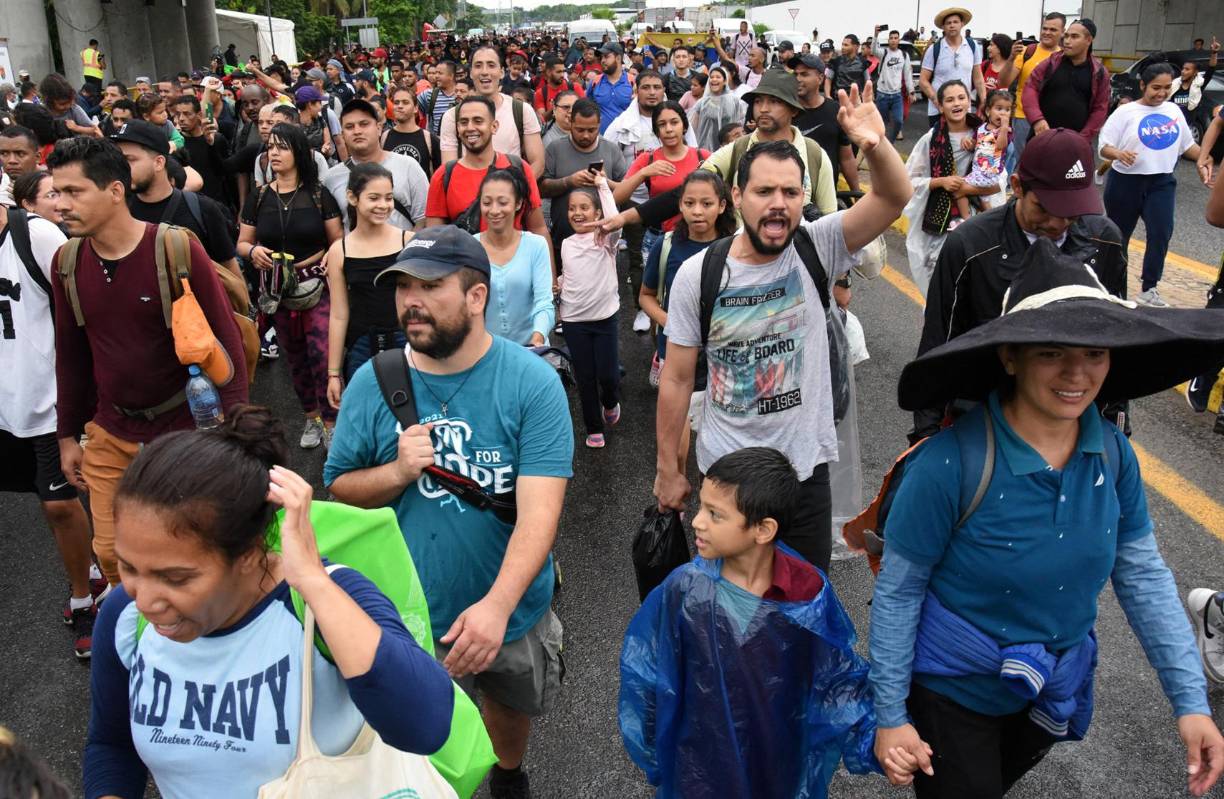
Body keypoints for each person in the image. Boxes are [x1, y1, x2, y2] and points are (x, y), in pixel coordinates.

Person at [872, 240, 1224, 799]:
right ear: (1009, 356)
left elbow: (1143, 577)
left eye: (1095, 352)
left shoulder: (1114, 453)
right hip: (951, 691)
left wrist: (1190, 703)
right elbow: (899, 589)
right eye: (1052, 352)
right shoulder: (949, 463)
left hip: (1045, 691)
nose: (1076, 373)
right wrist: (890, 713)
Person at [84, 407, 462, 798]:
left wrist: (313, 581)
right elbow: (111, 743)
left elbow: (426, 725)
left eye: (175, 578)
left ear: (249, 554)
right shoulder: (124, 616)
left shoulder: (326, 599)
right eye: (128, 567)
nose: (145, 599)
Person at [325, 225, 573, 799]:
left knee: (509, 704)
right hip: (409, 612)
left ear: (476, 296)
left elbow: (541, 514)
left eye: (430, 287)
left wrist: (496, 608)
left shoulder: (532, 382)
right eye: (402, 286)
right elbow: (338, 487)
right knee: (426, 739)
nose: (410, 301)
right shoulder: (375, 380)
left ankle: (509, 776)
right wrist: (395, 473)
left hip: (509, 605)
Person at [653, 93, 912, 573]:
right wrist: (668, 470)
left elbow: (894, 198)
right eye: (764, 191)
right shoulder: (698, 274)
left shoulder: (820, 244)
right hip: (728, 475)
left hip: (802, 471)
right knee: (732, 610)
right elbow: (677, 378)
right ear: (736, 197)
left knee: (802, 607)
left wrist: (875, 146)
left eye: (791, 193)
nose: (778, 205)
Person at [620, 447, 886, 797]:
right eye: (702, 507)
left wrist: (881, 738)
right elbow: (649, 672)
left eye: (715, 514)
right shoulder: (686, 591)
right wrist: (658, 754)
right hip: (699, 764)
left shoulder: (804, 591)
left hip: (776, 764)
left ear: (763, 529)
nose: (697, 521)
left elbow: (835, 679)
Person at [48, 136, 248, 588]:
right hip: (110, 433)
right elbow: (71, 355)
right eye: (57, 192)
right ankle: (140, 647)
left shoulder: (175, 248)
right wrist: (66, 434)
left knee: (190, 550)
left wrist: (233, 433)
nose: (60, 204)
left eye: (73, 191)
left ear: (115, 190)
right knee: (112, 555)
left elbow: (227, 343)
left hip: (184, 432)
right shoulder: (67, 262)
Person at [912, 128, 1127, 441]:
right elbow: (939, 342)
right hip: (983, 422)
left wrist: (1116, 430)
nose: (1056, 223)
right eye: (1044, 207)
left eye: (1071, 211)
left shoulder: (1103, 241)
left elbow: (1116, 337)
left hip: (1073, 425)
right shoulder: (970, 245)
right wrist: (925, 438)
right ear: (1016, 186)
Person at [0, 192, 98, 659]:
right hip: (4, 404)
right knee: (42, 500)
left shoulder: (33, 234)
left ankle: (84, 598)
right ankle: (93, 569)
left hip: (46, 399)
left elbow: (81, 308)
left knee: (60, 504)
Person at [237, 123, 343, 449]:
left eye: (282, 147)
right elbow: (241, 243)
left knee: (322, 356)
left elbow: (337, 239)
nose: (274, 153)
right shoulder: (259, 197)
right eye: (271, 147)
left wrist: (330, 255)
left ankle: (332, 425)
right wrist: (253, 252)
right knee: (294, 358)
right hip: (278, 290)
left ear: (298, 152)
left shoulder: (317, 194)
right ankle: (310, 419)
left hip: (315, 285)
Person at [1099, 62, 1208, 307]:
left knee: (1161, 233)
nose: (1161, 93)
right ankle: (1115, 290)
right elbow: (1104, 147)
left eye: (1167, 88)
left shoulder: (1173, 111)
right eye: (1156, 88)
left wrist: (1206, 158)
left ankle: (1149, 289)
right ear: (1142, 85)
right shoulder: (1125, 112)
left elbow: (1188, 146)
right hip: (1125, 183)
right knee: (1119, 237)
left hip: (1161, 182)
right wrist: (1118, 154)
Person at [639, 169, 736, 394]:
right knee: (678, 415)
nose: (697, 211)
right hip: (674, 348)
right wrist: (669, 322)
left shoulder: (735, 247)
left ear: (721, 206)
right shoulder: (666, 245)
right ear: (680, 205)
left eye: (706, 204)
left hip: (723, 350)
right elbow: (646, 295)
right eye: (690, 203)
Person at [325, 162, 413, 400]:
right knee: (367, 418)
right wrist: (333, 373)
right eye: (374, 198)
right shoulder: (339, 251)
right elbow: (339, 314)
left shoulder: (408, 242)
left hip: (408, 342)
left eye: (388, 198)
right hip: (361, 347)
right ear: (353, 198)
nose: (383, 205)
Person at [902, 80, 999, 296]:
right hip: (939, 226)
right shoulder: (930, 140)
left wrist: (964, 188)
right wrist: (939, 182)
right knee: (939, 287)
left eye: (961, 98)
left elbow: (996, 184)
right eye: (950, 99)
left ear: (969, 102)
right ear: (940, 106)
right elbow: (908, 181)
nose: (956, 103)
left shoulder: (985, 137)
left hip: (977, 221)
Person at [115, 121, 238, 274]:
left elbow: (232, 277)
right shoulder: (117, 211)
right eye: (119, 159)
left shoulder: (202, 210)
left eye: (130, 159)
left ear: (159, 163)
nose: (121, 167)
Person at [424, 96, 548, 243]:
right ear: (458, 129)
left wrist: (548, 266)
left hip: (514, 263)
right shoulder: (444, 176)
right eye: (464, 122)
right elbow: (434, 238)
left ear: (494, 126)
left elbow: (538, 229)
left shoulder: (519, 168)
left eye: (478, 121)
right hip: (466, 264)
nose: (470, 127)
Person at [560, 174, 622, 449]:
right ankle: (593, 427)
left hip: (605, 318)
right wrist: (559, 285)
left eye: (584, 207)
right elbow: (571, 275)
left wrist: (601, 186)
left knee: (608, 375)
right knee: (585, 377)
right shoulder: (565, 244)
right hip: (574, 320)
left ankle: (610, 401)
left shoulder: (605, 239)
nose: (577, 213)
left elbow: (613, 218)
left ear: (597, 213)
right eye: (572, 208)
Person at [475, 170, 555, 345]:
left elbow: (544, 303)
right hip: (487, 352)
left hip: (531, 350)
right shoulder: (470, 247)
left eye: (503, 202)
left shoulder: (536, 245)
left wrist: (537, 338)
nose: (494, 210)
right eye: (487, 203)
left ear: (518, 203)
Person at [438, 46, 545, 178]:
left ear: (501, 72)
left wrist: (513, 192)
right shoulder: (452, 117)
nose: (484, 72)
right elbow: (449, 170)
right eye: (478, 66)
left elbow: (538, 163)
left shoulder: (522, 111)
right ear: (471, 72)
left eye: (491, 65)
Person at [325, 98, 430, 231]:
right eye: (349, 127)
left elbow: (424, 218)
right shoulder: (331, 178)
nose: (357, 131)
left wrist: (408, 249)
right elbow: (336, 232)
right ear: (343, 135)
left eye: (364, 124)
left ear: (379, 128)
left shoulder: (408, 166)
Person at [1019, 19, 1111, 142]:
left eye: (1074, 37)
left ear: (1088, 40)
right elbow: (1030, 87)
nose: (1067, 41)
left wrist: (1083, 138)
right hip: (1041, 137)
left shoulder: (1099, 73)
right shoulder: (1051, 63)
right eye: (1066, 36)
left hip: (1075, 143)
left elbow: (1100, 109)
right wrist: (1037, 119)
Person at [997, 13, 1066, 159]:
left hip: (1052, 118)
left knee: (1049, 160)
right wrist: (1011, 58)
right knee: (1024, 160)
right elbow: (1003, 83)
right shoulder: (1027, 52)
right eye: (1045, 28)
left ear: (1062, 32)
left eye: (1053, 30)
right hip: (1024, 117)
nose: (1047, 32)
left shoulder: (1066, 57)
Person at [791, 53, 861, 191]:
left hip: (827, 197)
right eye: (795, 74)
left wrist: (856, 193)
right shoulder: (787, 111)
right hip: (792, 197)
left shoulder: (836, 111)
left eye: (804, 74)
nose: (798, 79)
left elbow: (846, 158)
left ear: (820, 78)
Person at [918, 8, 986, 128]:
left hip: (963, 108)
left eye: (955, 22)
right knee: (938, 145)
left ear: (962, 24)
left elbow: (978, 78)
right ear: (943, 27)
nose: (952, 25)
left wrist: (984, 100)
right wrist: (937, 102)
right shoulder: (934, 49)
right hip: (938, 111)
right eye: (948, 23)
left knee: (964, 144)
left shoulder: (972, 46)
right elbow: (923, 81)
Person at [956, 89, 1012, 222]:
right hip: (978, 172)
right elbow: (974, 146)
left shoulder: (1006, 131)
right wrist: (966, 141)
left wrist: (1003, 129)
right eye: (999, 108)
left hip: (990, 175)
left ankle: (966, 220)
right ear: (988, 111)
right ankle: (993, 223)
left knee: (958, 190)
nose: (1003, 113)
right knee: (985, 203)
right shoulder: (981, 129)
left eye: (1007, 109)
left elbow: (1000, 146)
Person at [170, 94, 233, 210]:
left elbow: (226, 173)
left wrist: (211, 143)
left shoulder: (217, 139)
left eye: (187, 114)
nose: (181, 118)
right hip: (190, 206)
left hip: (218, 204)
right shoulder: (176, 144)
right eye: (178, 114)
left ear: (199, 115)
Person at [382, 86, 440, 179]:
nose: (400, 106)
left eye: (405, 102)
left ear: (415, 108)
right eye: (396, 102)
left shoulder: (429, 139)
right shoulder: (384, 137)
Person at [873, 28, 915, 143]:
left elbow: (907, 75)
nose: (893, 40)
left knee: (898, 121)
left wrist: (911, 91)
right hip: (882, 94)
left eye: (895, 38)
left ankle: (890, 142)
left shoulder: (904, 55)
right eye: (891, 38)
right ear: (888, 40)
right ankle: (882, 144)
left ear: (898, 40)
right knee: (882, 123)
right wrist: (876, 35)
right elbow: (873, 50)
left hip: (897, 95)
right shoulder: (884, 53)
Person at [689, 66, 746, 152]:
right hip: (706, 148)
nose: (714, 79)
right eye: (711, 77)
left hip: (729, 147)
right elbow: (693, 126)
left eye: (718, 77)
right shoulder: (702, 103)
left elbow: (740, 123)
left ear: (724, 81)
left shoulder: (734, 101)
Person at [588, 43, 634, 135]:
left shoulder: (632, 81)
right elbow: (587, 109)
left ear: (618, 58)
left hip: (626, 139)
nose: (603, 61)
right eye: (601, 57)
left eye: (606, 57)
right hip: (600, 139)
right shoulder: (595, 82)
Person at [1171, 36, 1220, 125]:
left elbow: (1211, 69)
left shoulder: (1198, 85)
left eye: (1187, 69)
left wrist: (1214, 52)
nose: (1183, 71)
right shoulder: (1174, 85)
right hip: (1172, 125)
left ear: (1195, 72)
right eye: (1183, 69)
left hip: (1188, 126)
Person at [39, 73, 99, 138]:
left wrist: (77, 128)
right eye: (62, 104)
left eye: (70, 102)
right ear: (50, 102)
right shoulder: (42, 113)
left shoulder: (74, 109)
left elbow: (95, 130)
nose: (67, 106)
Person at [0, 125, 42, 207]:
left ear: (37, 157)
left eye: (20, 154)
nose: (12, 160)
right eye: (4, 153)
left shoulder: (55, 186)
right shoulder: (1, 186)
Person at [418, 60, 457, 136]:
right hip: (437, 144)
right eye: (436, 73)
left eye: (440, 73)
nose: (436, 76)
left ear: (451, 76)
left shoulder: (462, 94)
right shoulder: (429, 94)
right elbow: (413, 109)